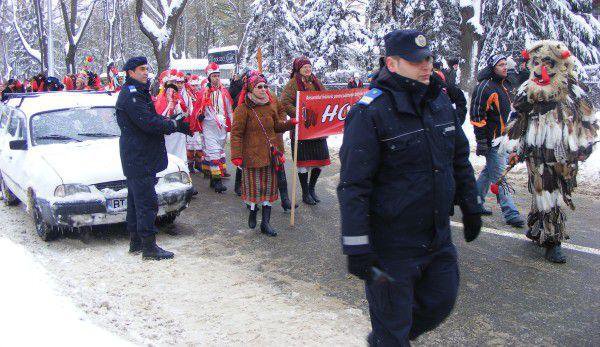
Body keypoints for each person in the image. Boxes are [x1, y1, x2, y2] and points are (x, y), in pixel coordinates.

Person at [338, 29, 483, 345]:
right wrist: (356, 245)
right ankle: (390, 337)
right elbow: (353, 185)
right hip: (392, 247)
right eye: (416, 60)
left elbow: (458, 156)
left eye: (428, 58)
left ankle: (387, 337)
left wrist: (470, 203)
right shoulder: (369, 112)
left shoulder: (439, 101)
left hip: (436, 236)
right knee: (394, 327)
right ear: (392, 63)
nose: (426, 65)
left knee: (441, 302)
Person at [500, 41, 598, 263]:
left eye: (548, 62)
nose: (541, 68)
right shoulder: (527, 90)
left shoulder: (572, 89)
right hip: (537, 154)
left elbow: (588, 121)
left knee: (554, 195)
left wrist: (585, 147)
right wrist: (515, 146)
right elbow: (516, 119)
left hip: (565, 156)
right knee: (545, 193)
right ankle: (553, 241)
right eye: (537, 62)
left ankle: (537, 228)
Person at [115, 56, 191, 260]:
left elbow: (152, 117)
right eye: (140, 69)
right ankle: (149, 248)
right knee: (146, 203)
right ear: (130, 72)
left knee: (135, 201)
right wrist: (173, 126)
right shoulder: (132, 95)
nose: (145, 72)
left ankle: (136, 243)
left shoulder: (138, 92)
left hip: (138, 156)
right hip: (139, 156)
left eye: (146, 69)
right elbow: (147, 122)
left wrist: (170, 120)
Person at [230, 71, 298, 236]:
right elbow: (236, 134)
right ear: (251, 89)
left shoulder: (269, 105)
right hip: (252, 156)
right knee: (255, 189)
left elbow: (276, 127)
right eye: (259, 87)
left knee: (268, 189)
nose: (263, 89)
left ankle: (265, 223)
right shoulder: (242, 109)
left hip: (270, 155)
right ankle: (253, 211)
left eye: (265, 86)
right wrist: (236, 155)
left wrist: (290, 123)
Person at [470, 53, 525, 227]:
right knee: (500, 177)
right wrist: (482, 141)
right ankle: (511, 213)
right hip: (492, 141)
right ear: (493, 67)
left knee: (489, 172)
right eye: (500, 65)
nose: (504, 67)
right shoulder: (485, 87)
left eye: (505, 64)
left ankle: (475, 202)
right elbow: (477, 115)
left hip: (502, 139)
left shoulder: (502, 86)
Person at [280, 57, 330, 205]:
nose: (308, 69)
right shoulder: (292, 84)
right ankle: (305, 192)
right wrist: (300, 114)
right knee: (304, 163)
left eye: (309, 66)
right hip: (302, 129)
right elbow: (284, 102)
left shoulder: (316, 81)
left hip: (317, 129)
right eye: (305, 67)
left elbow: (326, 97)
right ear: (298, 69)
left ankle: (312, 188)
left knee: (319, 161)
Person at [196, 62, 234, 193]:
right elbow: (197, 110)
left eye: (218, 76)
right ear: (209, 78)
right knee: (214, 152)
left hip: (221, 126)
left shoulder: (224, 92)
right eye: (214, 76)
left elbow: (229, 110)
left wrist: (233, 124)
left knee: (218, 151)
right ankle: (217, 181)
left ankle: (213, 179)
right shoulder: (203, 93)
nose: (216, 78)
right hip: (209, 126)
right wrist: (199, 117)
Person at [154, 70, 190, 164]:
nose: (174, 85)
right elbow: (159, 117)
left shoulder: (178, 97)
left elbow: (185, 112)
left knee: (181, 159)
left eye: (175, 82)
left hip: (179, 135)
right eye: (171, 82)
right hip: (168, 135)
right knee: (170, 160)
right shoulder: (161, 98)